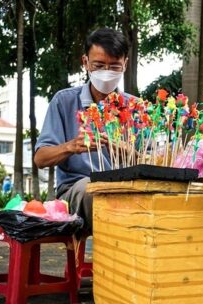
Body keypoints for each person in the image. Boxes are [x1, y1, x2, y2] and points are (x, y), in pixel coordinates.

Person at [35, 28, 131, 234]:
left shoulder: (135, 107)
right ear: (85, 62)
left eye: (114, 66)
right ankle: (113, 254)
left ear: (125, 64)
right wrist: (71, 146)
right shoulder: (64, 101)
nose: (106, 72)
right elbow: (40, 159)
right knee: (95, 189)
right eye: (98, 65)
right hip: (76, 190)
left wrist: (127, 152)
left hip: (128, 190)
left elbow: (154, 162)